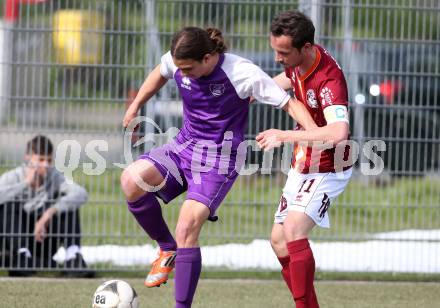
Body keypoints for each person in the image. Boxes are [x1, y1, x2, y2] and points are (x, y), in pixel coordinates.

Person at [121, 27, 317, 307]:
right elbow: (160, 72)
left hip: (220, 159)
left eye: (188, 69)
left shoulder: (242, 73)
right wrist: (136, 104)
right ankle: (166, 249)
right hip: (184, 146)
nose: (183, 75)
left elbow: (289, 104)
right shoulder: (179, 59)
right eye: (180, 69)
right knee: (131, 180)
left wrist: (314, 134)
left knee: (187, 226)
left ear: (209, 57)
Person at [256, 10, 353, 308]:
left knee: (294, 229)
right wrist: (252, 91)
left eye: (284, 52)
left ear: (306, 48)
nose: (278, 58)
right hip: (304, 162)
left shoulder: (329, 81)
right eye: (275, 50)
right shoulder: (299, 62)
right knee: (278, 240)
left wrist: (284, 135)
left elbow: (339, 133)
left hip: (329, 166)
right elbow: (283, 81)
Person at [0, 135, 93, 277]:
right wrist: (25, 184)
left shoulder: (54, 176)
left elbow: (81, 193)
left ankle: (73, 257)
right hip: (17, 239)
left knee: (67, 204)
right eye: (40, 160)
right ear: (28, 157)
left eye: (49, 160)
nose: (45, 165)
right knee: (10, 205)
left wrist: (49, 213)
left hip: (44, 239)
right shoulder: (13, 177)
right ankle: (21, 256)